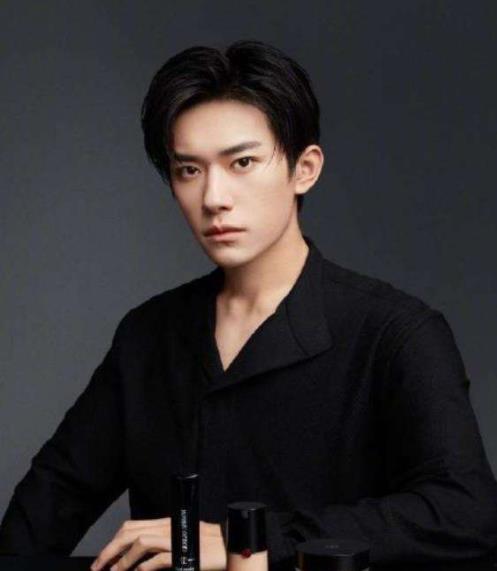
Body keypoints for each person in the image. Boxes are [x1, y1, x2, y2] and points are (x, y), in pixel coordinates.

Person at [1, 39, 497, 571]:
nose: (214, 197)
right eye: (189, 170)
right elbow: (46, 508)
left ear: (305, 169)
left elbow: (466, 513)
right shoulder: (147, 335)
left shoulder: (396, 333)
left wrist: (249, 540)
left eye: (242, 162)